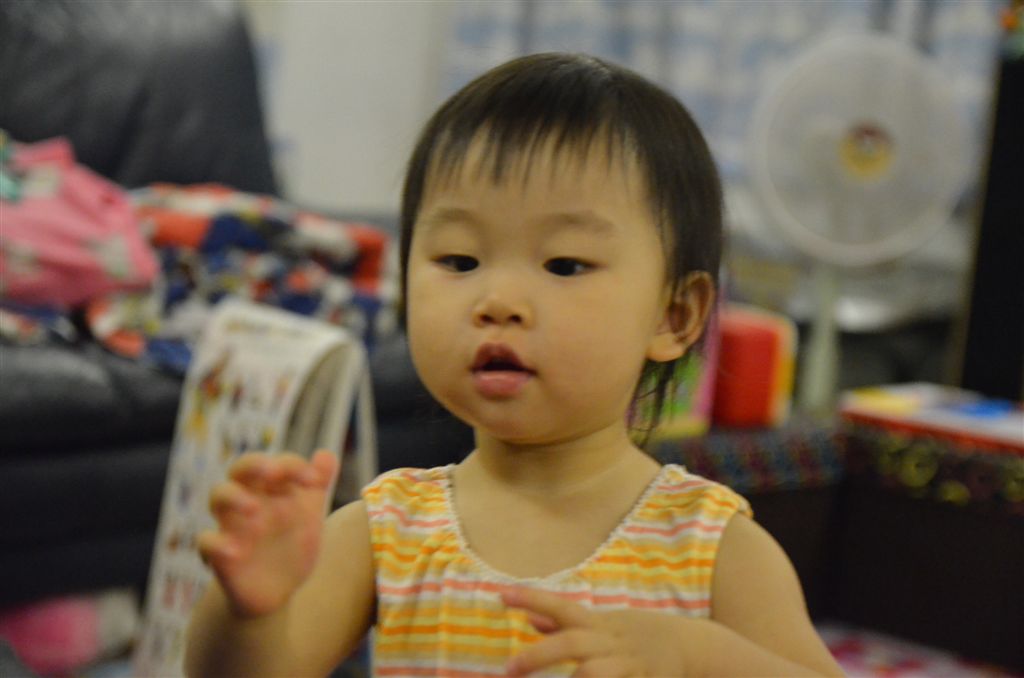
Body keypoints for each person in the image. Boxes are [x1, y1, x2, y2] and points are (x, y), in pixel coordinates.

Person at [186, 53, 843, 677]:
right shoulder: (391, 528)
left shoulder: (709, 546)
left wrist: (696, 656)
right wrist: (250, 611)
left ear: (673, 316)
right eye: (460, 261)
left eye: (564, 265)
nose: (497, 301)